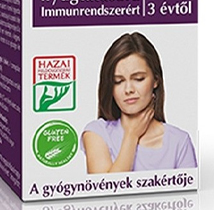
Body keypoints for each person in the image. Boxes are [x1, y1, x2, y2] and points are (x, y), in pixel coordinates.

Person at [81, 32, 197, 173]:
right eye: (118, 81)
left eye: (139, 79)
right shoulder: (97, 133)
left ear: (156, 80)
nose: (128, 89)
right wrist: (131, 136)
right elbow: (107, 187)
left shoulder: (179, 141)